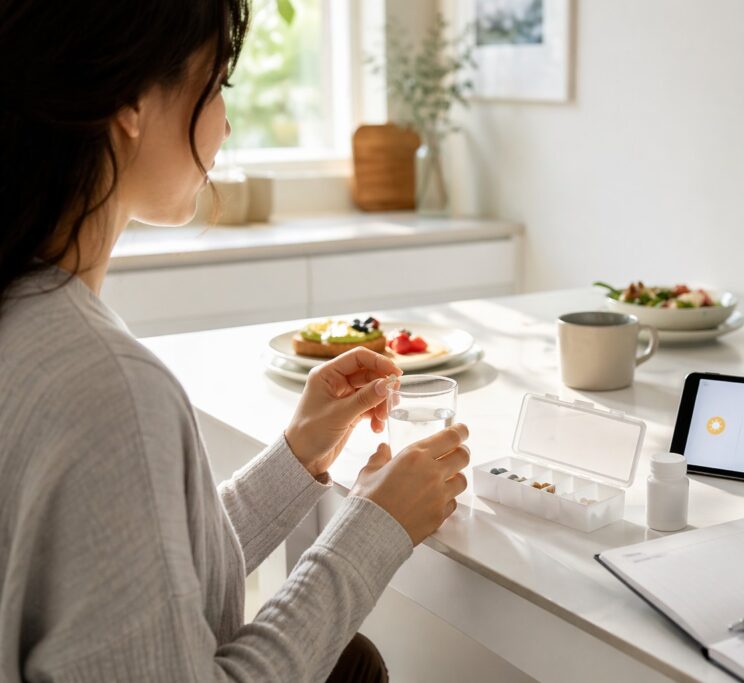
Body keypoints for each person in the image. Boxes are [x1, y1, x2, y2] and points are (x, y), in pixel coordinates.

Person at [0, 1, 470, 680]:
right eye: (219, 85)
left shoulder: (33, 316)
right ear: (130, 100)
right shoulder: (107, 385)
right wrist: (374, 525)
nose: (225, 120)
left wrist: (298, 453)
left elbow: (140, 577)